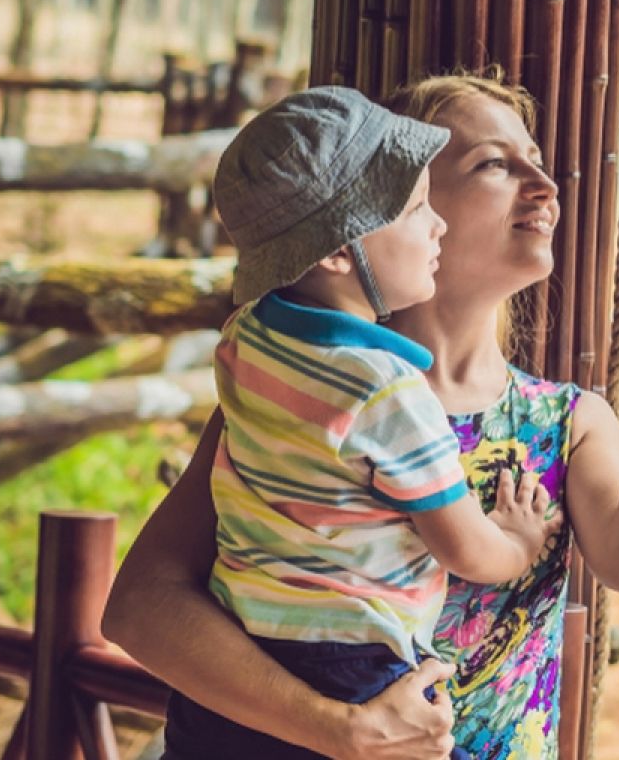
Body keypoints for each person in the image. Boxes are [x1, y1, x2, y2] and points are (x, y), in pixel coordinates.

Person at [104, 68, 619, 760]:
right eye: (492, 163)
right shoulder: (306, 400)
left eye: (536, 161)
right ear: (397, 202)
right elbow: (141, 609)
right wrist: (338, 731)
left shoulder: (562, 423)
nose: (544, 187)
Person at [161, 86, 562, 758]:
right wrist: (519, 542)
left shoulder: (243, 341)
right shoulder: (387, 392)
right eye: (412, 210)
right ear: (338, 253)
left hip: (236, 667)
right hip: (354, 673)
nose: (436, 225)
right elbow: (465, 548)